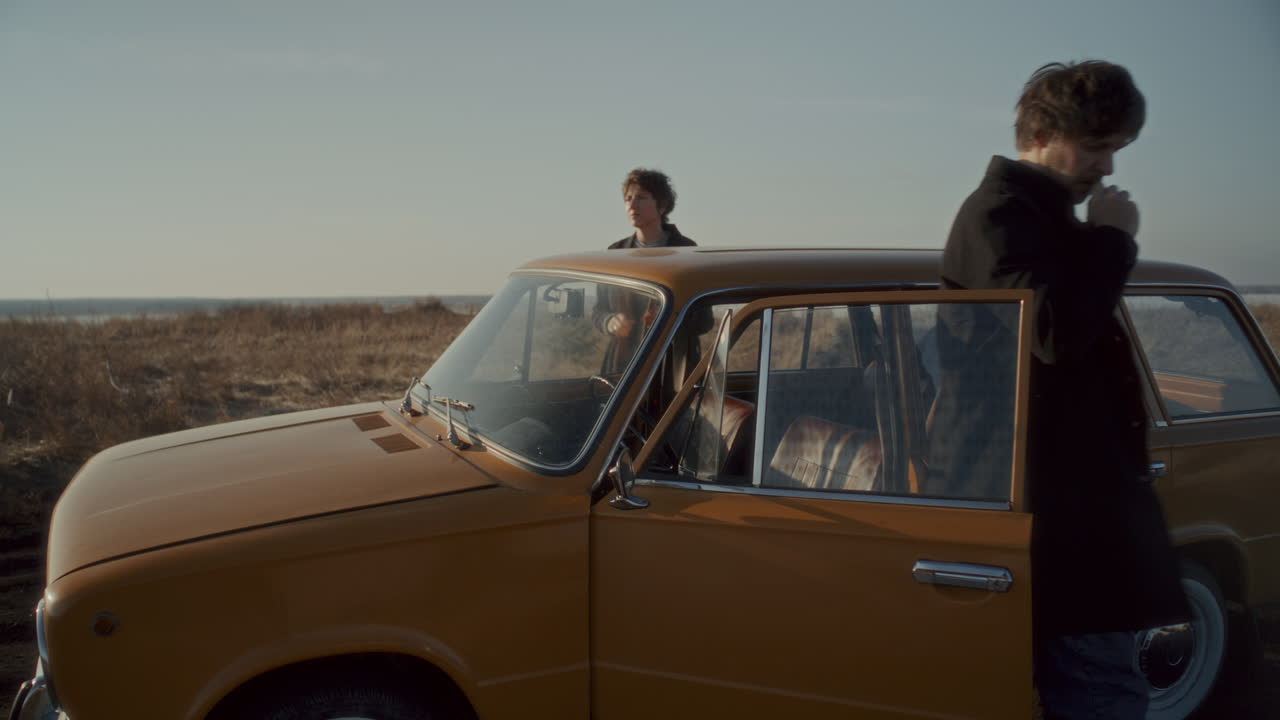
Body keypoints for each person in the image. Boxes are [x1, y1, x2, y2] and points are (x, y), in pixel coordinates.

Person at [931, 61, 1189, 719]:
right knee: (1098, 692)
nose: (1106, 168)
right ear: (1044, 132)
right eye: (1097, 146)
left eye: (1115, 150)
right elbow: (1052, 330)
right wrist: (1110, 239)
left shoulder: (1036, 218)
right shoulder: (1001, 216)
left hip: (1063, 508)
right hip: (1051, 516)